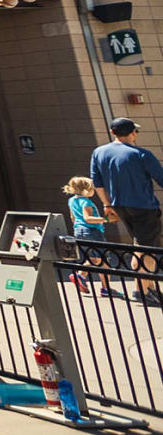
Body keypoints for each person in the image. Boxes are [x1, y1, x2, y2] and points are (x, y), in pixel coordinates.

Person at [91, 118, 163, 303]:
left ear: (112, 132)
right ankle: (141, 290)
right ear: (133, 133)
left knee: (140, 245)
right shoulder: (141, 154)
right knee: (147, 249)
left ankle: (150, 286)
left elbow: (97, 182)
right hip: (144, 206)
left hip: (119, 205)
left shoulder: (99, 152)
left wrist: (107, 204)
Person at [63, 176, 112, 296]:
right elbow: (88, 218)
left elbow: (72, 218)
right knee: (103, 259)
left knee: (94, 259)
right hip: (92, 231)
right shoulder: (86, 202)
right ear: (86, 190)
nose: (94, 191)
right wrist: (106, 219)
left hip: (79, 231)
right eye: (92, 189)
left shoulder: (72, 201)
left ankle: (84, 277)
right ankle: (84, 277)